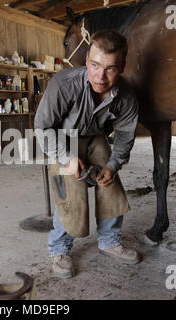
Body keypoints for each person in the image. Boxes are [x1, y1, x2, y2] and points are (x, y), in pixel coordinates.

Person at [34, 30, 140, 279]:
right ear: (86, 61)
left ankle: (110, 241)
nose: (100, 76)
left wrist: (113, 166)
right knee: (70, 190)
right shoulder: (63, 84)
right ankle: (59, 249)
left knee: (109, 182)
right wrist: (67, 159)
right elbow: (43, 127)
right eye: (94, 65)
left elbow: (125, 138)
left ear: (122, 67)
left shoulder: (127, 97)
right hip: (61, 137)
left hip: (95, 136)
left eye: (110, 69)